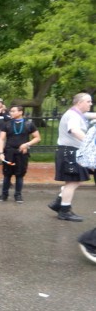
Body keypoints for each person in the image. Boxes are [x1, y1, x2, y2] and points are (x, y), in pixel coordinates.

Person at [47, 92, 93, 221]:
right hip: (70, 152)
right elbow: (74, 130)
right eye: (88, 101)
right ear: (79, 103)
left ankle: (58, 203)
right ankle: (64, 211)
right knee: (72, 182)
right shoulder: (73, 115)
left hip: (71, 151)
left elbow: (90, 115)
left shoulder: (77, 114)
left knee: (74, 181)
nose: (91, 104)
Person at [0, 106, 41, 203]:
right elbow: (1, 139)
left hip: (22, 153)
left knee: (19, 175)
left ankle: (18, 195)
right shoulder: (7, 124)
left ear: (20, 112)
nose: (10, 113)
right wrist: (0, 153)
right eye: (10, 111)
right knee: (7, 174)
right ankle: (4, 194)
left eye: (13, 111)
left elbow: (37, 138)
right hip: (9, 152)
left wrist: (27, 144)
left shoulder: (29, 124)